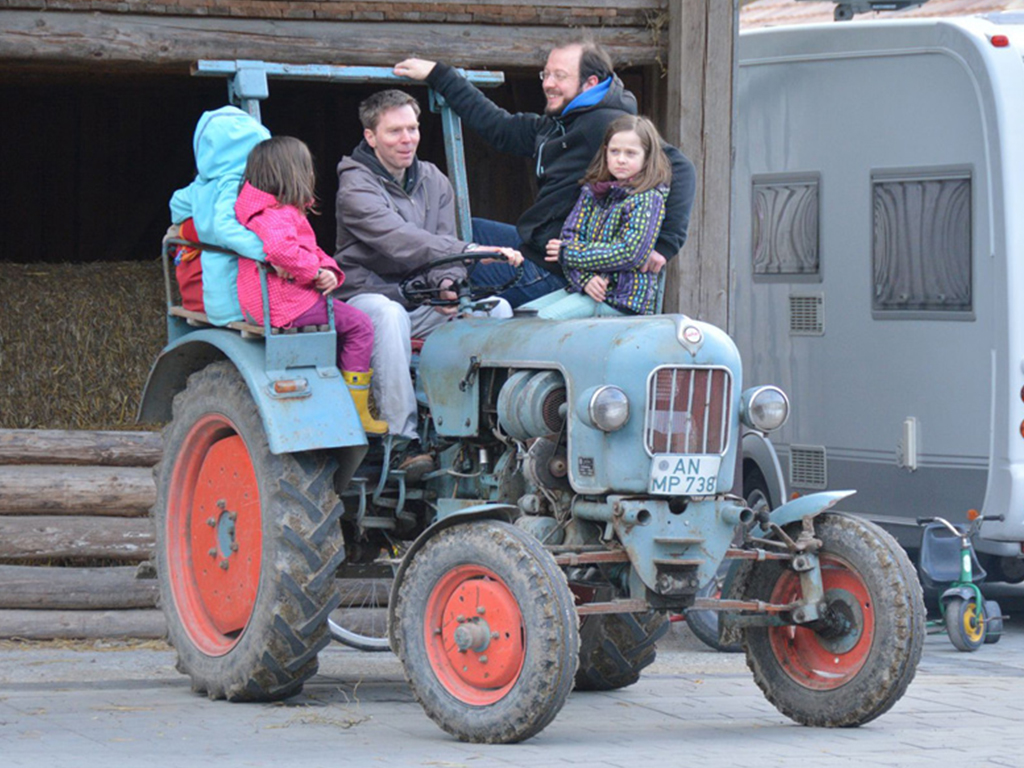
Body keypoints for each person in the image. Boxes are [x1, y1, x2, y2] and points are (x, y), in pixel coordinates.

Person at [394, 38, 696, 307]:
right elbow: (498, 127)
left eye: (559, 76)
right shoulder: (558, 125)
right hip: (534, 250)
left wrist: (664, 244)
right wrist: (441, 75)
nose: (548, 83)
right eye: (546, 74)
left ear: (590, 83)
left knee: (450, 269)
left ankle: (393, 322)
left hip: (556, 271)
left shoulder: (606, 126)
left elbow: (679, 166)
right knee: (460, 229)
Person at [333, 90, 521, 470]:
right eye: (395, 131)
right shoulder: (355, 187)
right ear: (371, 137)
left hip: (420, 298)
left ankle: (488, 430)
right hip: (366, 296)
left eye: (413, 128)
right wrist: (471, 250)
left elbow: (441, 242)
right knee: (388, 315)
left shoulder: (433, 179)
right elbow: (402, 242)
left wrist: (450, 283)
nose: (407, 139)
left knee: (494, 310)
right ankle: (401, 439)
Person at [234, 136, 386, 435]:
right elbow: (281, 251)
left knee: (345, 322)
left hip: (279, 300)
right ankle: (357, 412)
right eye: (307, 169)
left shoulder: (270, 211)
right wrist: (315, 273)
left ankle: (341, 393)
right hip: (286, 304)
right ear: (291, 174)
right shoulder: (277, 215)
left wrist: (328, 268)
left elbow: (306, 249)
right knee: (359, 325)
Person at [521, 115, 670, 319]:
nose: (621, 159)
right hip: (586, 289)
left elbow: (630, 252)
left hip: (621, 300)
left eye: (631, 153)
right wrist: (585, 279)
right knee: (521, 317)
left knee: (541, 322)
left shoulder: (648, 199)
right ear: (605, 152)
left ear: (647, 157)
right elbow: (570, 237)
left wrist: (570, 253)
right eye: (615, 151)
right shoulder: (592, 192)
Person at [169, 106, 270, 325]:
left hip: (215, 296)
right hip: (240, 298)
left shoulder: (201, 187)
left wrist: (197, 212)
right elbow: (225, 230)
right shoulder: (236, 185)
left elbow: (176, 204)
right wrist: (270, 252)